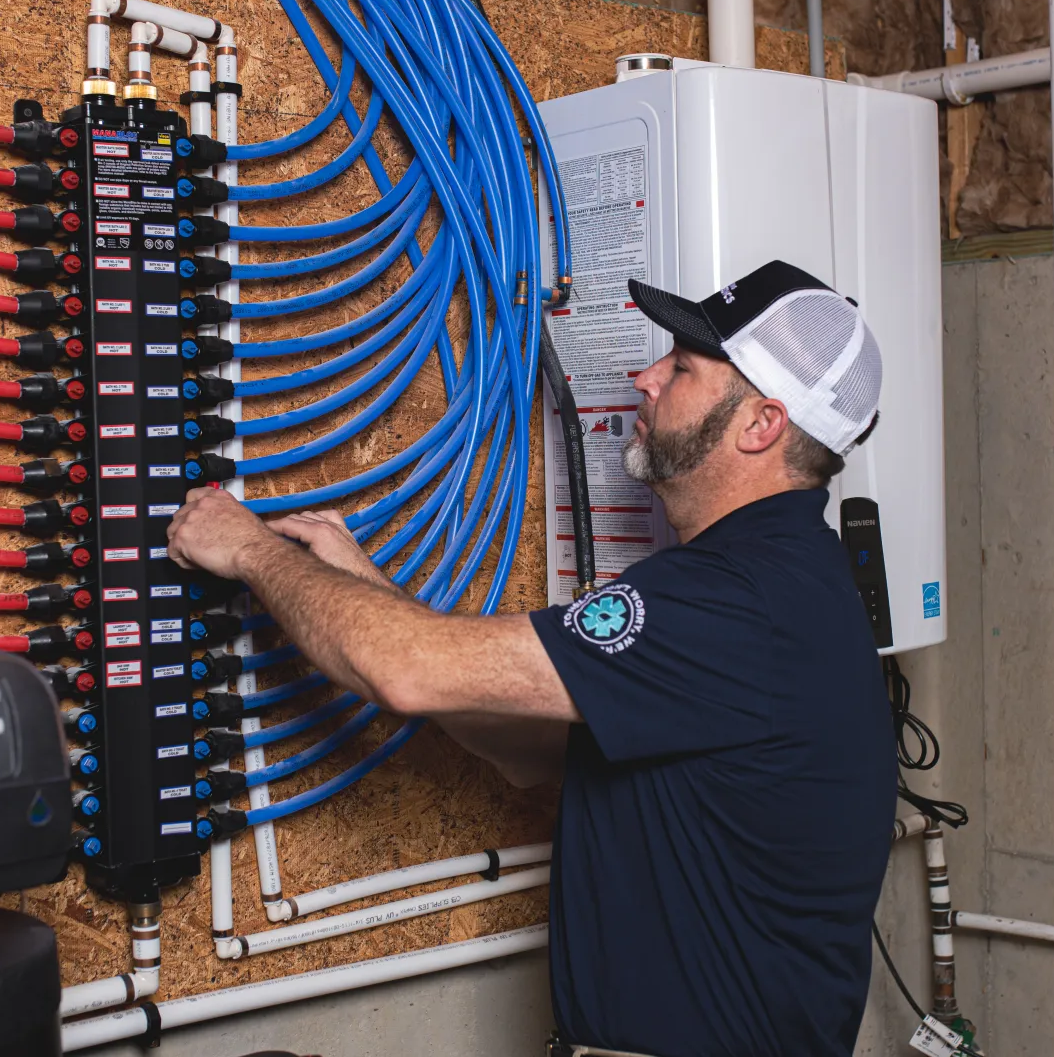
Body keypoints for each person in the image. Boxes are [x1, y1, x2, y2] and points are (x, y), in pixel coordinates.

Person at [166, 259, 896, 1057]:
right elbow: (529, 749)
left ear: (761, 425)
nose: (645, 378)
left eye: (683, 368)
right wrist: (367, 587)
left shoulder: (735, 602)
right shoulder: (784, 581)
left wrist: (249, 553)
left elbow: (403, 673)